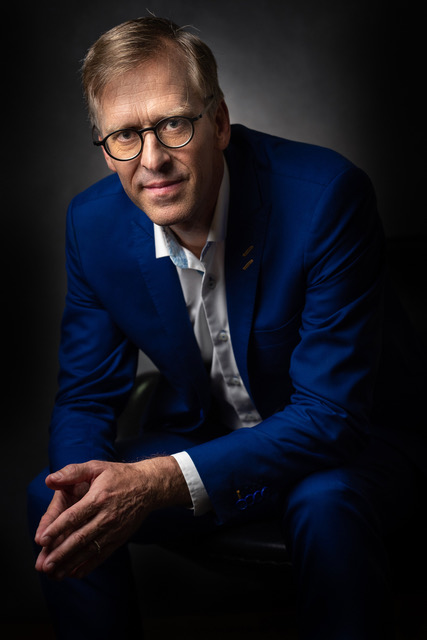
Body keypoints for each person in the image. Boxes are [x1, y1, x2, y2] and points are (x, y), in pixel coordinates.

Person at [27, 16, 426, 640]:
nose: (152, 160)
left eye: (173, 124)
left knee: (325, 503)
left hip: (352, 445)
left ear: (218, 122)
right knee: (58, 504)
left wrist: (158, 481)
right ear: (105, 148)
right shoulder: (92, 225)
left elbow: (330, 418)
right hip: (211, 438)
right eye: (125, 135)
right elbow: (85, 396)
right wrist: (85, 488)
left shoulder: (326, 197)